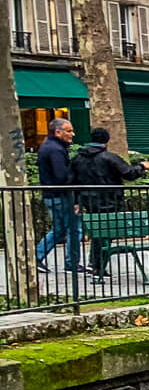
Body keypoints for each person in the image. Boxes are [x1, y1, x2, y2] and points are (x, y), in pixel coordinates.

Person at [69, 128, 149, 280]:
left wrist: (76, 201)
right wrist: (141, 166)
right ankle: (97, 265)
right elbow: (129, 174)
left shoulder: (77, 159)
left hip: (88, 200)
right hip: (109, 200)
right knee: (106, 233)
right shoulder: (110, 158)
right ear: (106, 140)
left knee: (98, 232)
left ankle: (96, 263)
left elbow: (72, 181)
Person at [33, 116, 80, 274]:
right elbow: (62, 176)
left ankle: (37, 256)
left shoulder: (48, 146)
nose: (72, 134)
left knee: (60, 229)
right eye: (69, 131)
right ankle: (72, 263)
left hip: (52, 195)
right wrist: (75, 175)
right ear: (58, 132)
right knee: (73, 228)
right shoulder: (56, 150)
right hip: (60, 195)